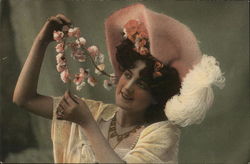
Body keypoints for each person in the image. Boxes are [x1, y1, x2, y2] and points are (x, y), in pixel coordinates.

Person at [13, 3, 225, 163]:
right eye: (128, 73)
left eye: (141, 84)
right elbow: (25, 99)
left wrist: (86, 124)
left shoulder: (161, 134)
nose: (128, 86)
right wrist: (41, 42)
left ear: (155, 96)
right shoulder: (94, 111)